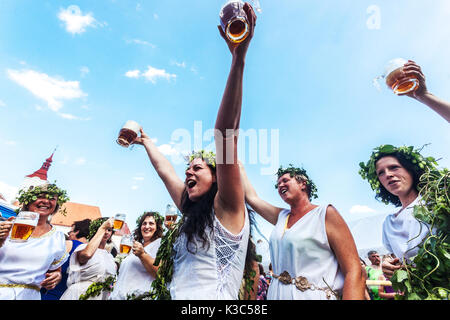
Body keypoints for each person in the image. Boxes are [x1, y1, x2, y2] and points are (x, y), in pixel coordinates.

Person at [131, 2, 256, 300]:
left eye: (197, 168)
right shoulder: (189, 210)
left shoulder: (228, 208)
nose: (188, 171)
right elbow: (166, 172)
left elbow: (225, 134)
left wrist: (238, 60)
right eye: (189, 168)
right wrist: (146, 141)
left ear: (218, 177)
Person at [239, 163, 365, 300]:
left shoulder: (325, 214)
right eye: (278, 183)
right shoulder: (281, 217)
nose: (280, 185)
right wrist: (237, 165)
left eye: (285, 180)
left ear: (303, 184)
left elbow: (353, 270)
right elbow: (252, 198)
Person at [359, 144, 439, 277]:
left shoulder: (436, 203)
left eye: (394, 167)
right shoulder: (389, 223)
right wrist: (389, 267)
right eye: (381, 173)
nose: (388, 175)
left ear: (410, 169)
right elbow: (396, 259)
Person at [0, 182, 70, 300]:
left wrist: (56, 276)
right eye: (40, 196)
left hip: (30, 296)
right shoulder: (8, 225)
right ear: (27, 201)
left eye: (51, 198)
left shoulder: (57, 237)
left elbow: (55, 271)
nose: (46, 201)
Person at [109, 211, 163, 300]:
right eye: (144, 223)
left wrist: (142, 255)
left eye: (151, 223)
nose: (147, 226)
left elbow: (160, 273)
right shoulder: (133, 248)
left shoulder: (160, 244)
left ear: (157, 227)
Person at [60, 217, 117, 300]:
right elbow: (86, 254)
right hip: (78, 294)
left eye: (109, 230)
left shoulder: (110, 257)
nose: (106, 232)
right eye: (104, 228)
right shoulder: (83, 248)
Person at [41, 218, 91, 300]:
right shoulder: (91, 252)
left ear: (77, 231)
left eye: (70, 232)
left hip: (52, 293)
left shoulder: (68, 244)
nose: (69, 235)